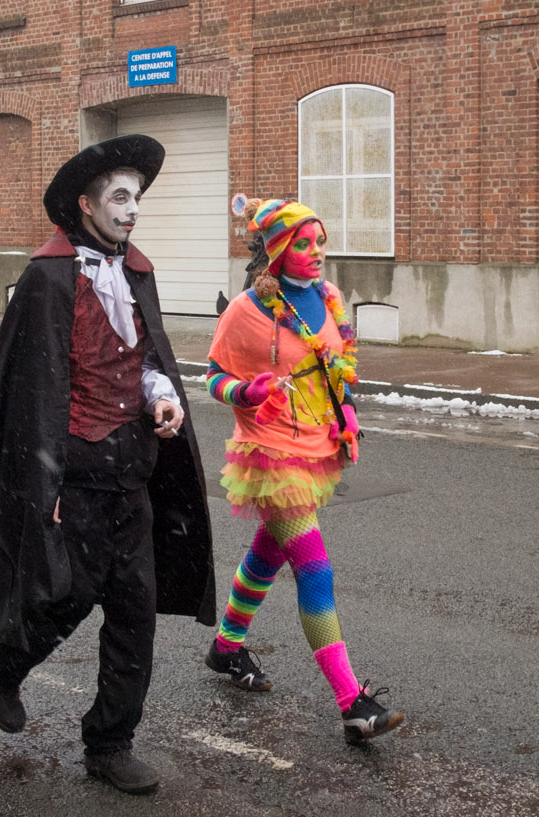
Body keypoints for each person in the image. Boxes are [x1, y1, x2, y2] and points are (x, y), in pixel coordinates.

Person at [0, 134, 217, 795]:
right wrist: (43, 490)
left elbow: (147, 358)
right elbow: (30, 395)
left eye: (136, 198)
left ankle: (110, 741)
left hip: (133, 476)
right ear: (86, 204)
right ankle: (1, 659)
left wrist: (162, 399)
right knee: (63, 596)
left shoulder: (137, 273)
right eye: (119, 198)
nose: (132, 211)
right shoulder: (46, 280)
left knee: (135, 609)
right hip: (74, 476)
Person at [198, 194, 404, 745]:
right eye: (304, 244)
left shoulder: (329, 299)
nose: (316, 253)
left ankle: (225, 647)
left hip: (316, 448)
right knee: (315, 570)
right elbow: (213, 375)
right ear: (278, 250)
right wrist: (248, 389)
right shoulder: (248, 310)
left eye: (321, 243)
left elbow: (341, 373)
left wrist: (349, 421)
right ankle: (352, 704)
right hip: (270, 452)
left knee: (269, 552)